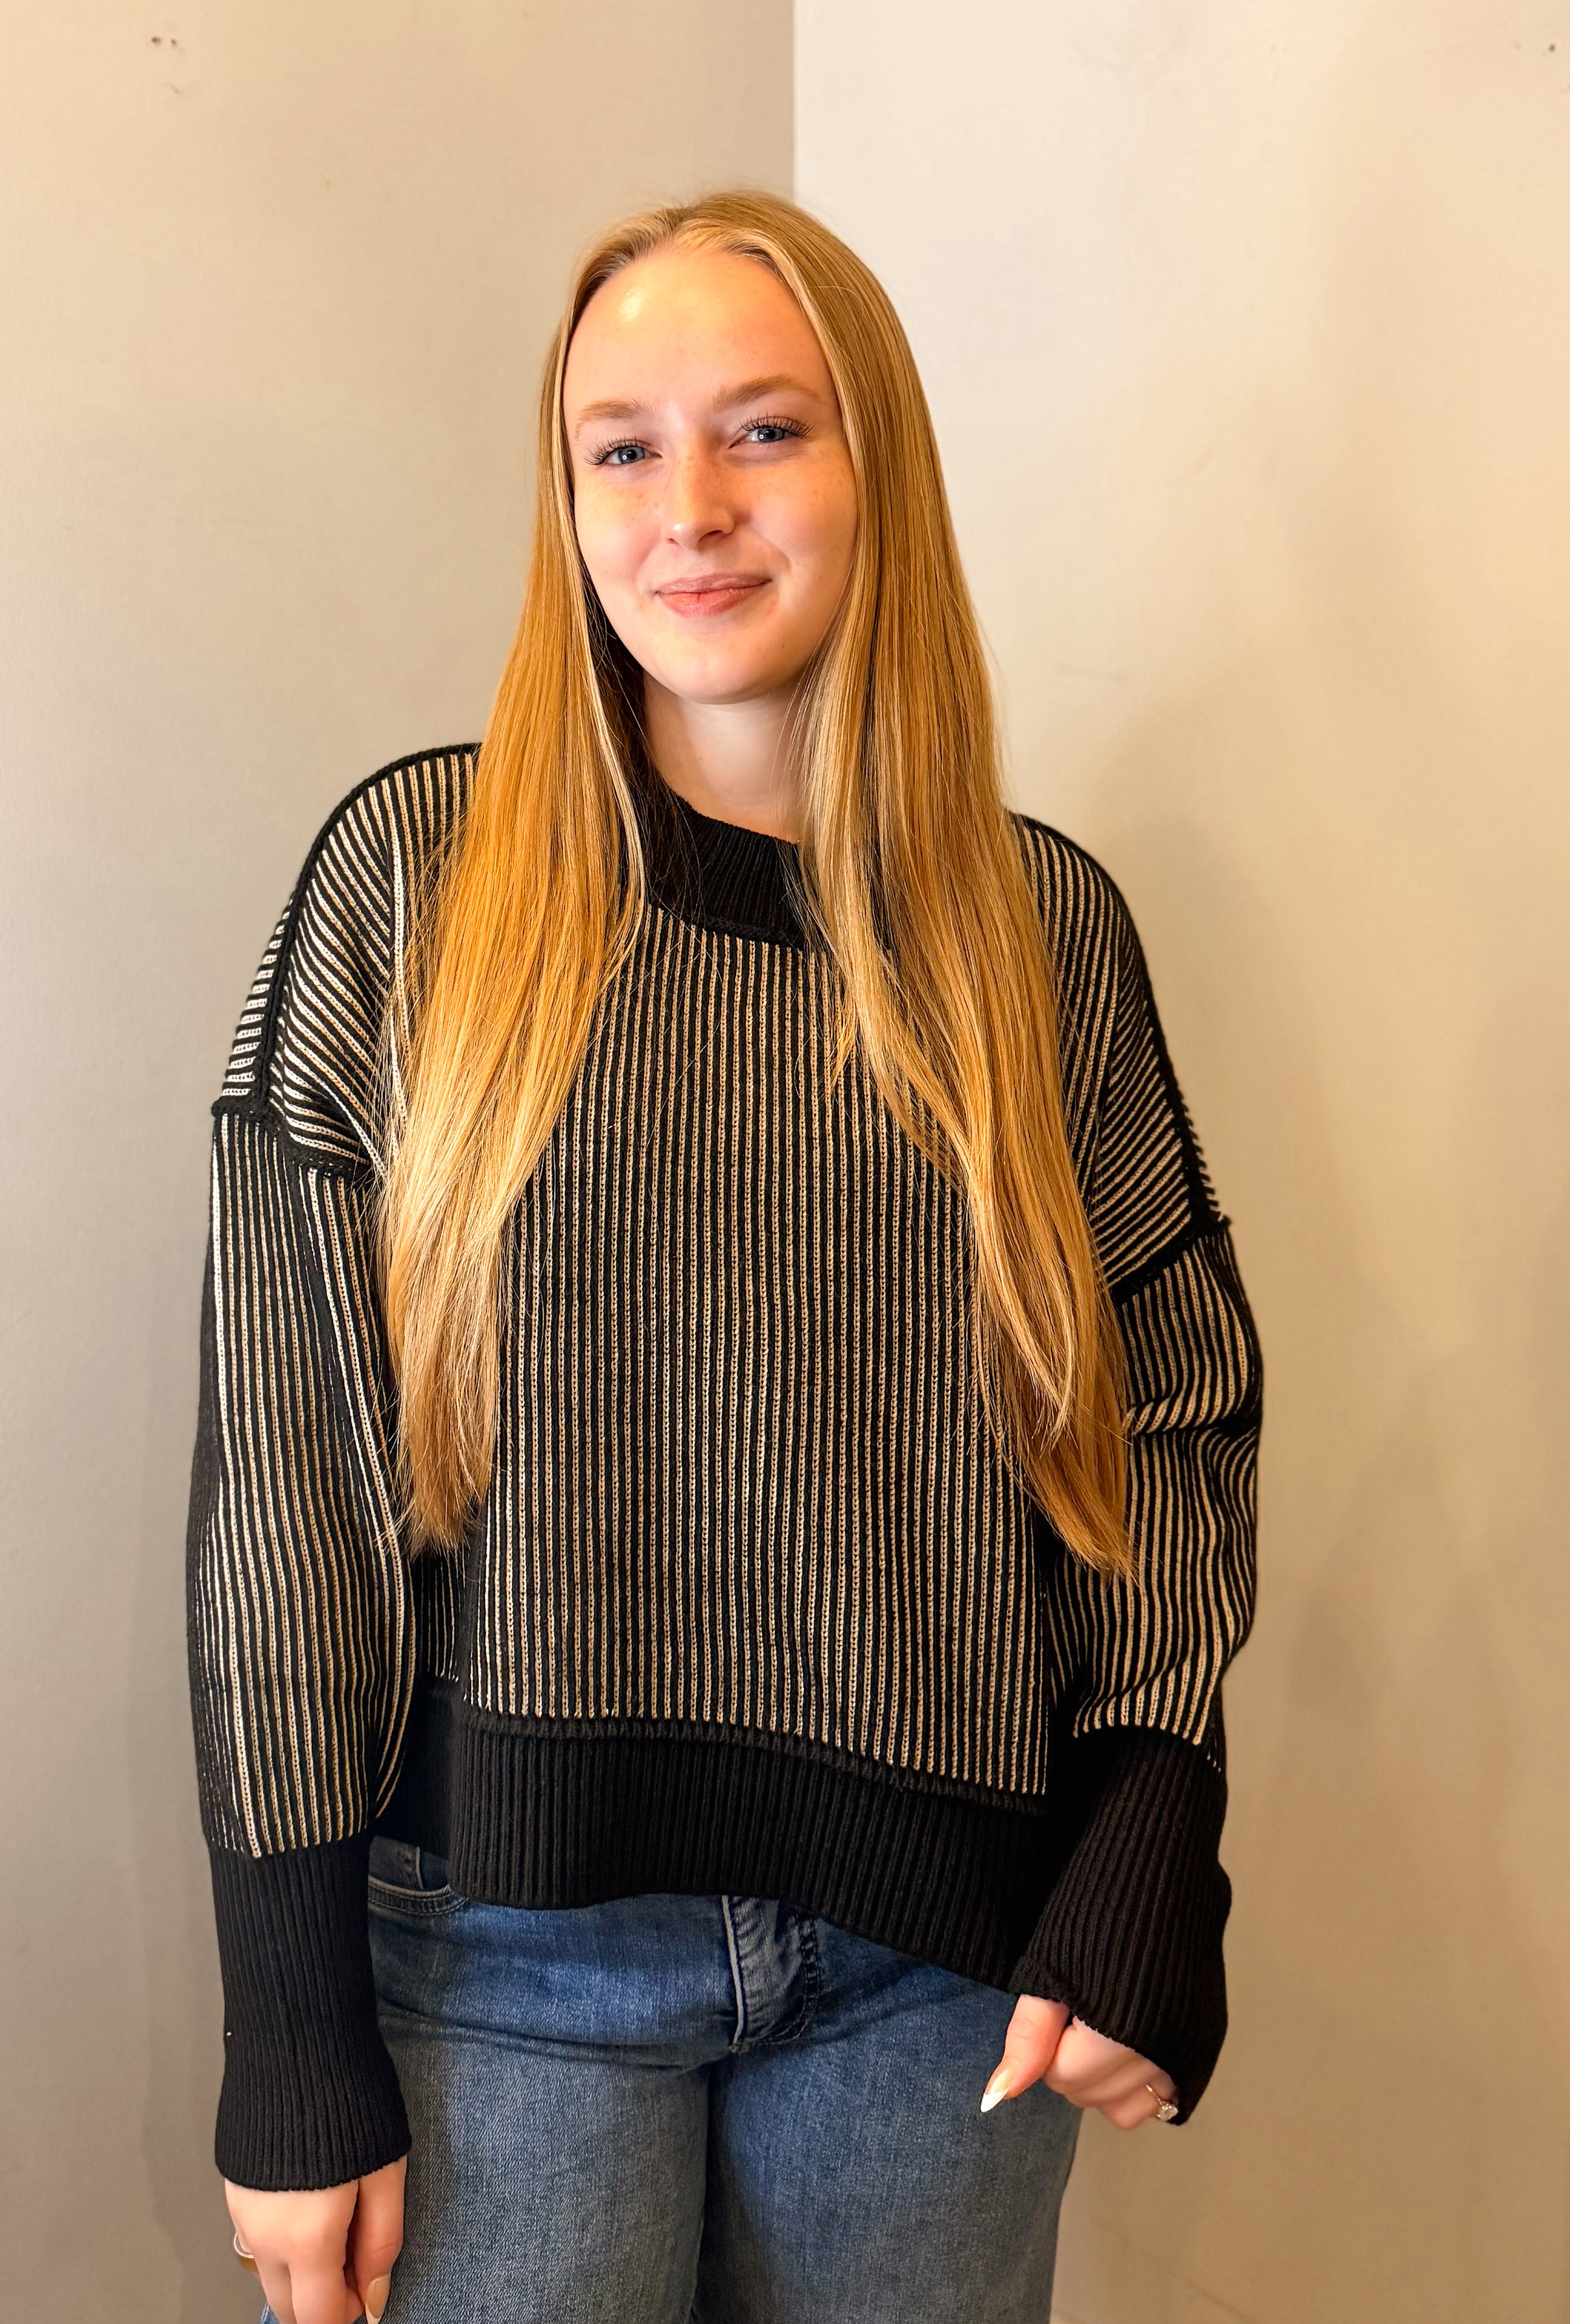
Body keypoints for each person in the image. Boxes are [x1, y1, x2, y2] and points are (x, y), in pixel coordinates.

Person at [186, 189, 1261, 2324]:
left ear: (879, 470)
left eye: (765, 429)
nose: (687, 507)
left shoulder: (1037, 933)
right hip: (499, 1968)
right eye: (623, 446)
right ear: (566, 495)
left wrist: (1152, 1820)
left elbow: (1165, 1406)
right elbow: (289, 1493)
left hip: (940, 1983)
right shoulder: (413, 886)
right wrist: (290, 2028)